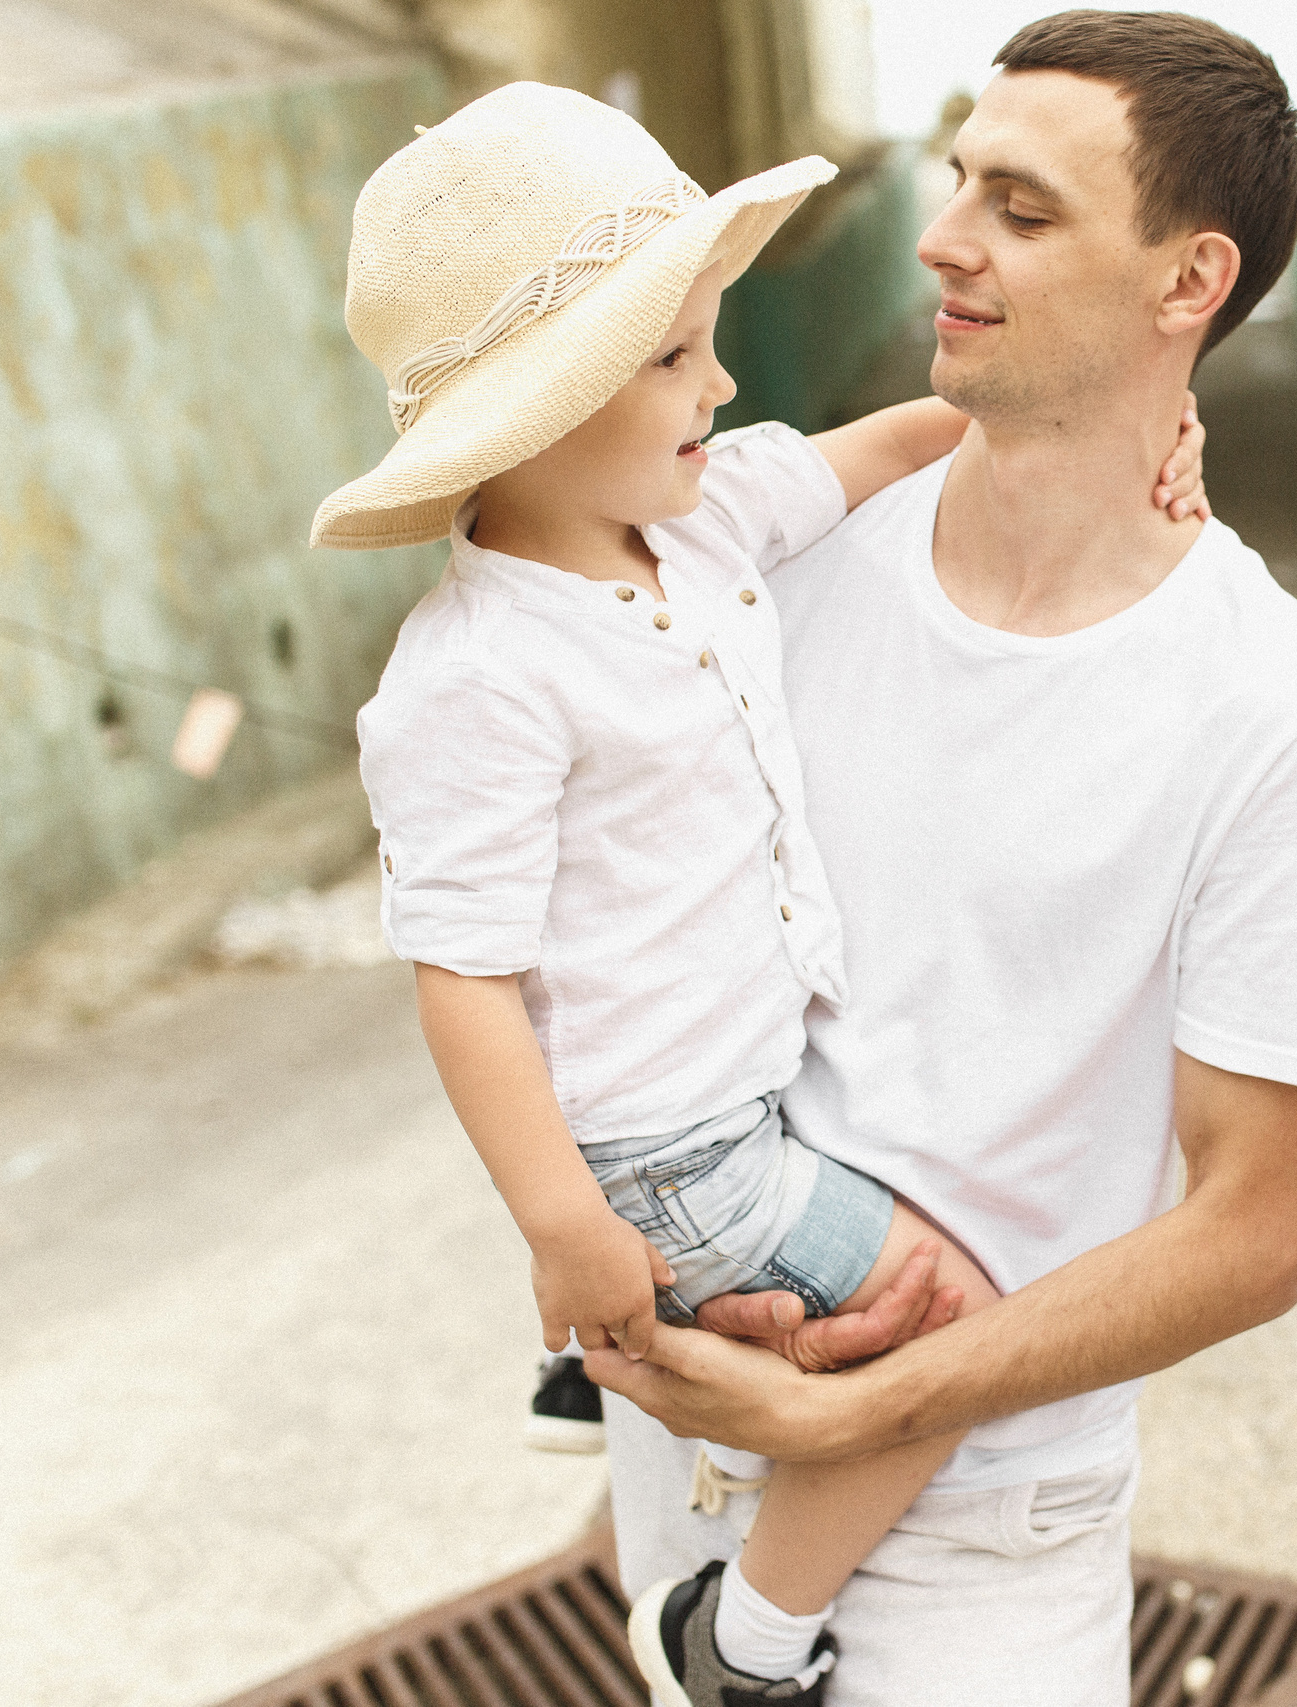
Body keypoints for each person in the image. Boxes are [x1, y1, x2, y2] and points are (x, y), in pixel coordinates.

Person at [314, 83, 1204, 1703]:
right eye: (670, 359)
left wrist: (1130, 431)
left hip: (743, 1093)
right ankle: (743, 1638)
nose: (719, 383)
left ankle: (636, 1380)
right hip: (663, 1147)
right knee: (951, 1322)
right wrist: (566, 1227)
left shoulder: (705, 520)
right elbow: (465, 979)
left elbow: (886, 444)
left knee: (860, 1321)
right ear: (533, 409)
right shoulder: (480, 677)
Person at [582, 13, 1297, 1706]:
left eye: (1022, 211)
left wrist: (862, 1409)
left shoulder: (1282, 712)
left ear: (1191, 282)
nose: (945, 233)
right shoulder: (775, 568)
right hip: (682, 1454)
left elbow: (1257, 1227)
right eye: (958, 178)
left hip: (977, 1534)